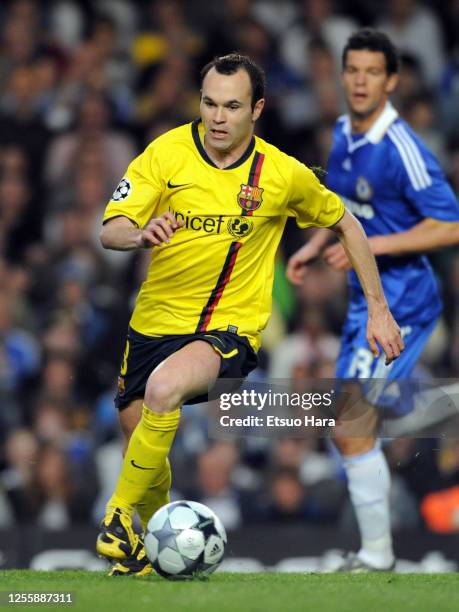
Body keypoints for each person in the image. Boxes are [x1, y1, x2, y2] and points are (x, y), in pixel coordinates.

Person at [97, 53, 403, 576]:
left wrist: (378, 308)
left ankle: (117, 518)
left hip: (228, 329)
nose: (217, 116)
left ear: (256, 109)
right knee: (142, 445)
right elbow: (111, 227)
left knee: (164, 391)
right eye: (209, 103)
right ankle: (150, 558)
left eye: (232, 106)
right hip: (152, 324)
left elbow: (347, 223)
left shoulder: (280, 174)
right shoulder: (165, 153)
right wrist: (140, 233)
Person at [287, 29, 459, 572]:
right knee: (353, 425)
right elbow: (341, 203)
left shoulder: (402, 147)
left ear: (392, 81)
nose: (361, 81)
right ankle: (378, 553)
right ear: (342, 76)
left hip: (402, 297)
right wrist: (317, 242)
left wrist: (373, 244)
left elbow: (450, 224)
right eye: (352, 70)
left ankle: (377, 556)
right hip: (369, 298)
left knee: (350, 422)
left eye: (372, 72)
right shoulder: (342, 132)